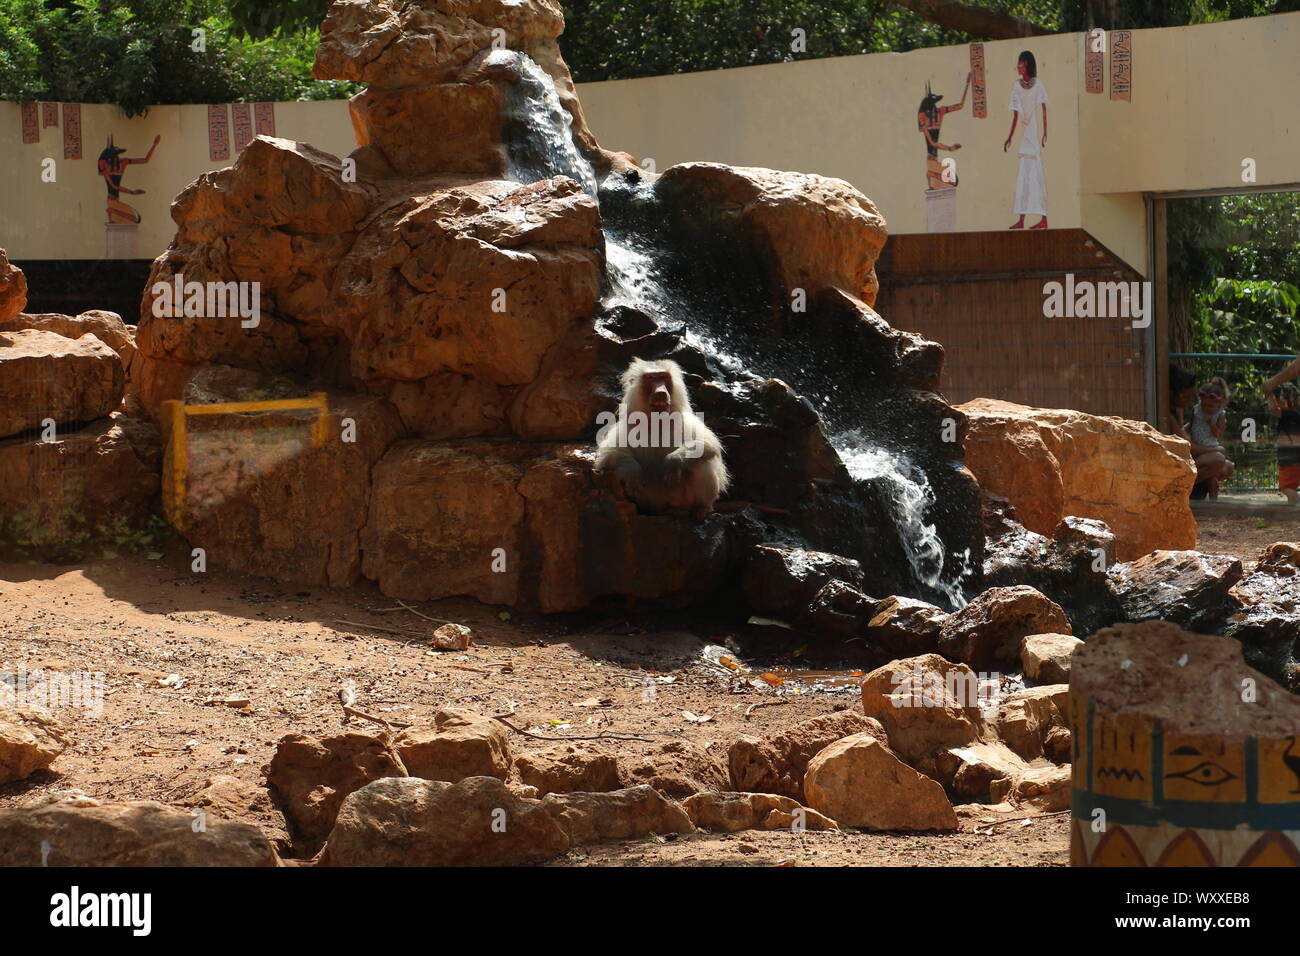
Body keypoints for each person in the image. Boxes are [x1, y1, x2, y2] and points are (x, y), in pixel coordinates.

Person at [1168, 364, 1233, 499]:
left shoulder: (1178, 410)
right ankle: (1177, 490)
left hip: (1196, 452)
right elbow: (1189, 447)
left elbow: (1186, 432)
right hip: (1186, 457)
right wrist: (1217, 450)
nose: (1189, 401)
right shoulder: (1169, 414)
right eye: (1186, 396)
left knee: (1227, 466)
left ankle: (1203, 493)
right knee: (1218, 459)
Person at [1003, 51, 1048, 230]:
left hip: (1033, 134)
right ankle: (1022, 219)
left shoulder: (1038, 85)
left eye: (1021, 64)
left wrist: (1045, 132)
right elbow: (1016, 114)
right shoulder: (1016, 86)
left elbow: (1044, 109)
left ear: (1027, 64)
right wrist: (1010, 136)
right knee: (1024, 177)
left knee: (1036, 175)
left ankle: (1043, 218)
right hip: (1025, 132)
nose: (1018, 67)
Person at [918, 74, 971, 189]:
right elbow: (931, 143)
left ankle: (931, 176)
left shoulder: (940, 111)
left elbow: (960, 106)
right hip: (931, 157)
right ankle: (931, 176)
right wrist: (949, 148)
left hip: (934, 157)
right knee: (952, 181)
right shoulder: (922, 116)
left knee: (952, 181)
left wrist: (967, 84)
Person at [1187, 377, 1235, 499]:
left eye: (1211, 406)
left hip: (1210, 447)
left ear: (1219, 404)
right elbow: (1191, 425)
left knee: (1212, 478)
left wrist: (1211, 425)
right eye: (1204, 405)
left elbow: (1218, 434)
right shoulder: (1196, 410)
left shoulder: (1220, 415)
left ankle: (1214, 501)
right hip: (1196, 446)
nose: (1206, 408)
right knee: (1216, 465)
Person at [98, 134, 161, 224]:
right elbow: (114, 187)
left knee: (135, 219)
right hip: (112, 200)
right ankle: (111, 211)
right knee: (135, 219)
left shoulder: (123, 162)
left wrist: (154, 144)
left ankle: (111, 212)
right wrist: (132, 192)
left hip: (115, 200)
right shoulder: (106, 169)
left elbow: (145, 160)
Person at [1263, 356, 1300, 504]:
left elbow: (1274, 409)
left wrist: (1268, 393)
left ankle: (1294, 509)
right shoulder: (1297, 415)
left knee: (1287, 488)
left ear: (1284, 401)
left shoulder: (1286, 415)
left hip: (1289, 459)